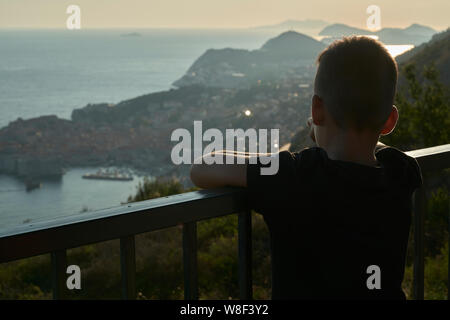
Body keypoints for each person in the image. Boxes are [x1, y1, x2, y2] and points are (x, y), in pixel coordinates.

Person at [190, 36, 422, 299]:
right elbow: (366, 146)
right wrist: (332, 130)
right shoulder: (402, 171)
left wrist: (310, 141)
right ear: (390, 121)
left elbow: (204, 166)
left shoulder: (295, 174)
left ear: (316, 109)